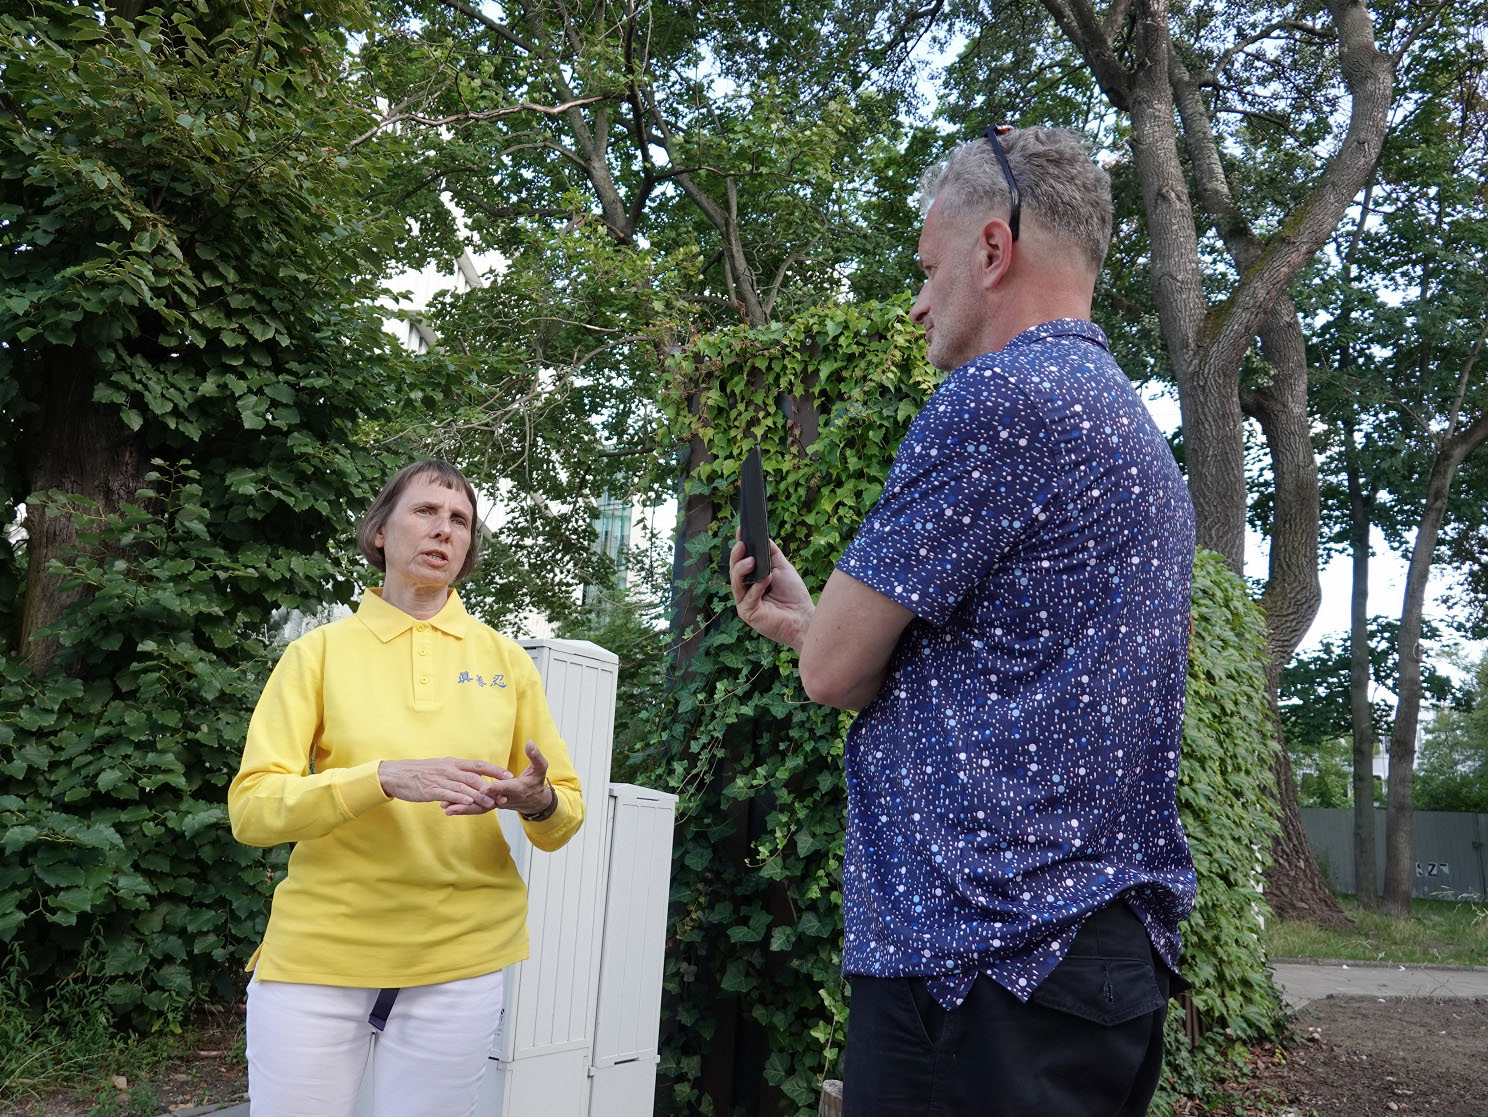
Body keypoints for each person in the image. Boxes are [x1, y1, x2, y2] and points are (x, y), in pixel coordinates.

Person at [729, 126, 1196, 1115]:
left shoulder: (999, 398)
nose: (917, 302)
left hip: (979, 969)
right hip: (1095, 969)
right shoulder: (1134, 431)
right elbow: (1002, 666)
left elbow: (833, 674)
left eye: (926, 268)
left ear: (992, 249)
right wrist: (808, 623)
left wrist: (819, 639)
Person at [228, 459, 583, 1117]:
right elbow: (253, 810)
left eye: (460, 520)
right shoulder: (317, 654)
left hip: (461, 957)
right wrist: (382, 778)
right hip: (321, 956)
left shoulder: (507, 663)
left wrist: (537, 801)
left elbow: (563, 816)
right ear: (380, 532)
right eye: (425, 511)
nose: (444, 529)